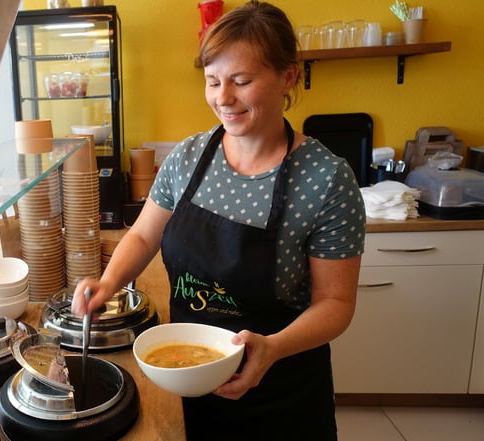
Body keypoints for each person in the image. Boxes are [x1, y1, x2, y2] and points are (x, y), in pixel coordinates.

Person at [71, 1, 366, 439]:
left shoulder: (326, 180)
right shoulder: (188, 158)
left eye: (241, 81)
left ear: (287, 77)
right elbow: (143, 235)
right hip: (189, 380)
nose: (223, 98)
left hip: (280, 391)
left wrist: (273, 348)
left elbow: (336, 304)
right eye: (212, 82)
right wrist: (108, 282)